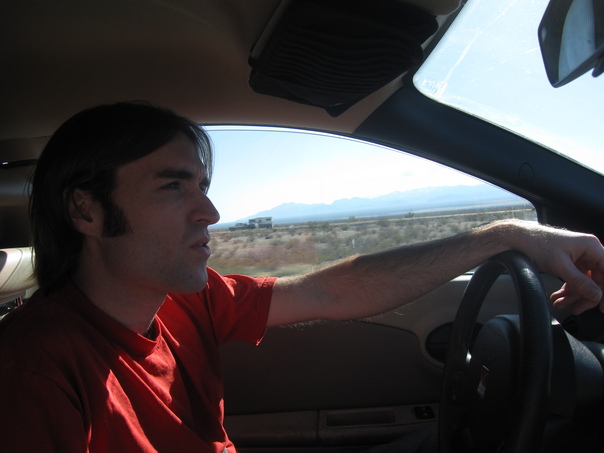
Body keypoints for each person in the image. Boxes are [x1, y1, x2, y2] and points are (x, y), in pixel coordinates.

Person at [0, 101, 603, 453]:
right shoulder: (35, 369)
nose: (210, 212)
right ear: (86, 211)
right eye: (173, 187)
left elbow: (329, 290)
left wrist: (504, 235)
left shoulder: (186, 302)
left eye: (202, 186)